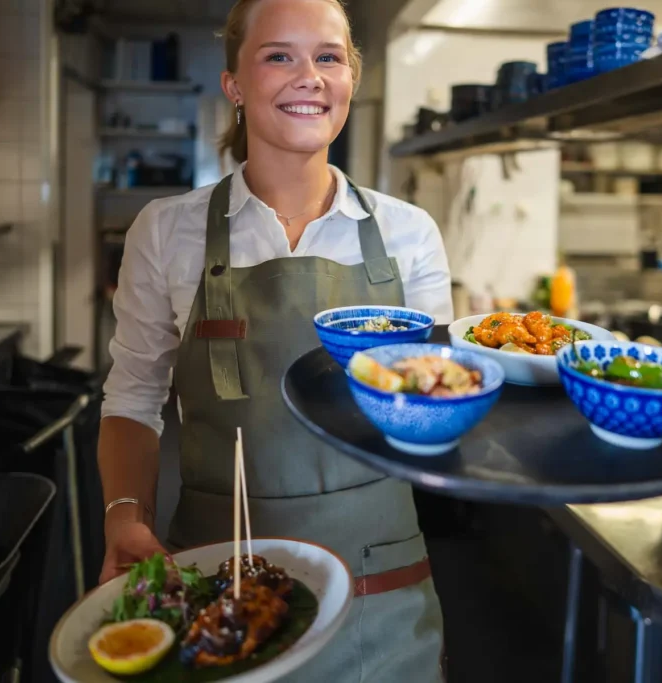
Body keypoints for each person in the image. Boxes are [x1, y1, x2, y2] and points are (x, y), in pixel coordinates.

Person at [96, 0, 451, 680]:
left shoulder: (411, 234)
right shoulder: (167, 231)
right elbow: (133, 398)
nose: (309, 75)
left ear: (351, 79)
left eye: (328, 56)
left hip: (381, 583)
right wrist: (122, 514)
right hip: (216, 574)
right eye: (278, 55)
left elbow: (436, 399)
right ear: (233, 83)